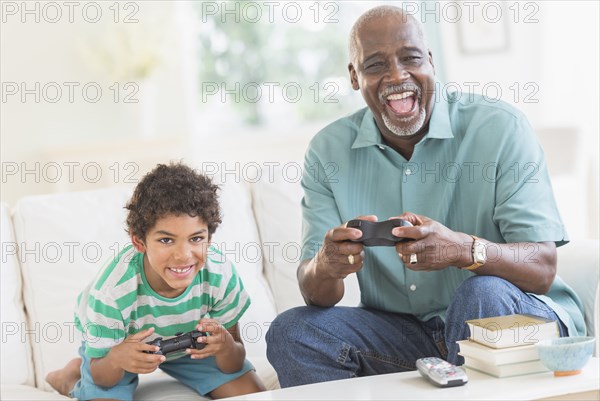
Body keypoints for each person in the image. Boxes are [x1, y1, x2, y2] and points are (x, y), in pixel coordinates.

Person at [265, 5, 586, 387]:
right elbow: (315, 292)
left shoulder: (499, 127)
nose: (397, 76)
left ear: (431, 62)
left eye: (410, 58)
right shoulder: (327, 151)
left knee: (481, 293)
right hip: (408, 333)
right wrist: (327, 264)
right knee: (293, 331)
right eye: (375, 65)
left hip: (514, 319)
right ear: (354, 77)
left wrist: (463, 250)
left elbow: (543, 266)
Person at [46, 163, 265, 399]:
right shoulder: (111, 292)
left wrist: (225, 348)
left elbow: (233, 361)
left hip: (188, 344)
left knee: (253, 394)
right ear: (140, 242)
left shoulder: (220, 275)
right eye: (166, 240)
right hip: (118, 350)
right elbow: (102, 375)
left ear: (209, 238)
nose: (183, 255)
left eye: (196, 238)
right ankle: (69, 376)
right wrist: (117, 358)